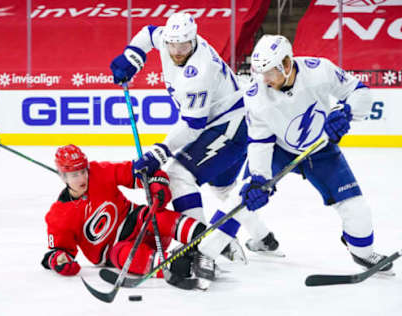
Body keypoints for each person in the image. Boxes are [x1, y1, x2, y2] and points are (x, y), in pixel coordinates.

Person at [110, 12, 281, 265]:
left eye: (184, 45)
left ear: (194, 40)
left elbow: (192, 125)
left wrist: (159, 151)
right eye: (173, 45)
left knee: (179, 175)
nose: (178, 51)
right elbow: (148, 33)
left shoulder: (199, 71)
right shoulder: (170, 40)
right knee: (223, 189)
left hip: (230, 126)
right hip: (233, 121)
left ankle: (201, 249)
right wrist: (132, 57)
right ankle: (263, 237)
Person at [228, 34, 392, 271]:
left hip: (322, 151)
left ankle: (362, 252)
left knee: (357, 209)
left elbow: (360, 92)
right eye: (260, 73)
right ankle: (261, 239)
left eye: (270, 72)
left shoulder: (319, 71)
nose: (264, 80)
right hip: (278, 151)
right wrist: (259, 177)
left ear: (286, 64)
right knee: (243, 196)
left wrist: (345, 111)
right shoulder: (256, 96)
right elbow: (260, 141)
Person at [41, 144, 217, 287]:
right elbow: (58, 252)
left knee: (153, 215)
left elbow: (139, 171)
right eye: (73, 174)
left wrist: (157, 183)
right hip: (117, 250)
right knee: (123, 253)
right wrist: (60, 260)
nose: (81, 178)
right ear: (62, 176)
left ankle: (210, 239)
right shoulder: (59, 215)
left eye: (82, 171)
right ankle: (174, 265)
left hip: (143, 227)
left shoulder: (99, 172)